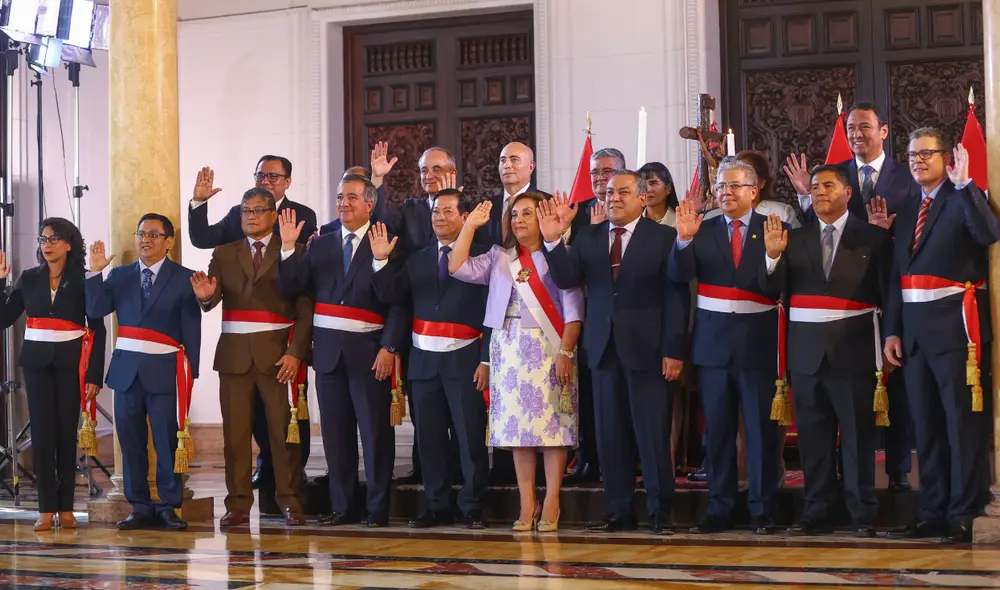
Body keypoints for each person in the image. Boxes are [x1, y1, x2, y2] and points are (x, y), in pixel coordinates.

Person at [540, 174, 689, 535]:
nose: (614, 198)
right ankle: (619, 509)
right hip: (603, 349)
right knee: (610, 435)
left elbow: (677, 296)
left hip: (649, 351)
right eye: (608, 193)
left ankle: (660, 510)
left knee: (652, 434)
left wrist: (673, 349)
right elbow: (567, 280)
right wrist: (552, 240)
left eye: (623, 192)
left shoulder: (664, 236)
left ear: (642, 198)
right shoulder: (589, 236)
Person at [761, 165, 892, 538]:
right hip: (805, 356)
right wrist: (771, 258)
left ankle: (862, 512)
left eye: (828, 186)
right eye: (814, 187)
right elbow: (772, 291)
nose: (819, 192)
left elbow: (889, 296)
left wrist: (890, 340)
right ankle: (817, 512)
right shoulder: (792, 238)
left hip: (854, 353)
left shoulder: (873, 238)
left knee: (857, 438)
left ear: (848, 193)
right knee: (815, 440)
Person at [884, 130, 1000, 544]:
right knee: (926, 428)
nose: (917, 161)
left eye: (926, 154)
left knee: (961, 427)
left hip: (957, 334)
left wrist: (968, 185)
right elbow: (898, 276)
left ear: (947, 157)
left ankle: (964, 512)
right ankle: (931, 511)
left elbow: (989, 235)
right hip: (914, 335)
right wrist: (893, 329)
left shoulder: (962, 196)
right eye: (913, 155)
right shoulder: (908, 203)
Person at [449, 193, 583, 532]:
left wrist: (566, 352)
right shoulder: (500, 257)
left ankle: (552, 499)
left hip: (549, 346)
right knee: (519, 430)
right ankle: (528, 500)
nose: (519, 219)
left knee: (553, 428)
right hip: (507, 348)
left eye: (528, 213)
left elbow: (573, 311)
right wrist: (469, 227)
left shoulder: (558, 256)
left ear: (543, 217)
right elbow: (457, 266)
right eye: (515, 214)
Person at [278, 174, 406, 527]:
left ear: (369, 203)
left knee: (375, 434)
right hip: (329, 355)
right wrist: (289, 249)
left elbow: (397, 302)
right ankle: (343, 506)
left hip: (370, 354)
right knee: (336, 435)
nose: (343, 204)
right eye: (339, 197)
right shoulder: (321, 245)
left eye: (351, 197)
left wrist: (389, 347)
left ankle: (377, 508)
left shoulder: (386, 242)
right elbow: (293, 287)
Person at [187, 154, 316, 492]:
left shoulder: (296, 249)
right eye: (246, 212)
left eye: (259, 211)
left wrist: (295, 352)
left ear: (275, 215)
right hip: (234, 357)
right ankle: (238, 504)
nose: (251, 216)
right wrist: (205, 296)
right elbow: (211, 296)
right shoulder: (225, 253)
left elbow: (304, 310)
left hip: (277, 356)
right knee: (236, 436)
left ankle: (289, 498)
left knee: (282, 431)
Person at [671, 159, 784, 535]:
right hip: (713, 346)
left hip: (758, 345)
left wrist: (772, 257)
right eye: (721, 186)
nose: (726, 192)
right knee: (716, 433)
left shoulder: (773, 229)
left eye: (735, 186)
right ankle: (719, 508)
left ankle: (763, 508)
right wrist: (683, 239)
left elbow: (776, 288)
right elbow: (678, 275)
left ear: (754, 191)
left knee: (760, 431)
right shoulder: (701, 229)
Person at [368, 189, 490, 529]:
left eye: (448, 211)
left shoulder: (484, 256)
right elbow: (393, 296)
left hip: (465, 361)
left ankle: (472, 505)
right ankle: (437, 505)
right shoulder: (416, 258)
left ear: (465, 217)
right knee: (431, 440)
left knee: (469, 439)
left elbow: (493, 313)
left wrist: (486, 360)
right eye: (436, 211)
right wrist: (380, 262)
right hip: (423, 363)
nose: (440, 217)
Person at [86, 214, 202, 531]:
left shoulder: (184, 277)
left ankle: (167, 506)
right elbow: (96, 310)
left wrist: (191, 370)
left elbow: (192, 326)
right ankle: (139, 506)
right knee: (131, 442)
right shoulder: (120, 276)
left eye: (153, 234)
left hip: (166, 372)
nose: (145, 239)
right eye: (141, 233)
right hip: (126, 373)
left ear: (169, 241)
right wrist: (95, 273)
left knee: (167, 443)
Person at [0, 219, 106, 532]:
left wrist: (95, 376)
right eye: (43, 238)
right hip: (36, 364)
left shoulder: (84, 278)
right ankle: (46, 509)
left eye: (55, 238)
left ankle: (66, 507)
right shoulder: (29, 278)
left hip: (72, 364)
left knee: (64, 435)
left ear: (69, 243)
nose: (47, 244)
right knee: (43, 435)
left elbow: (97, 328)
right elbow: (6, 318)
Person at [736, 150, 800, 229]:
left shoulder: (782, 213)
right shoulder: (718, 216)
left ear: (762, 183)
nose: (740, 180)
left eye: (747, 174)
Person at [638, 162, 678, 227]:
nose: (648, 189)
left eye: (653, 183)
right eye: (642, 184)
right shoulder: (633, 223)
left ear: (668, 189)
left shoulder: (679, 222)